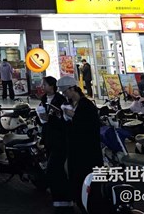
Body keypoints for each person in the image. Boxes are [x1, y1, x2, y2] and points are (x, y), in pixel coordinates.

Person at [58, 76, 103, 210]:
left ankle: (91, 205)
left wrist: (73, 116)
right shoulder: (72, 104)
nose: (64, 94)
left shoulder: (86, 105)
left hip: (87, 151)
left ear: (73, 89)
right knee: (77, 179)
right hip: (76, 149)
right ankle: (81, 203)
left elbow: (90, 125)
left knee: (87, 181)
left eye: (65, 91)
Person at [38, 76, 71, 210]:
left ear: (52, 86)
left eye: (44, 84)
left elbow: (65, 120)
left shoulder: (61, 100)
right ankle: (58, 198)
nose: (42, 87)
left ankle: (63, 200)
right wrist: (41, 117)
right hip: (48, 137)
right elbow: (42, 118)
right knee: (53, 168)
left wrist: (54, 117)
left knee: (56, 168)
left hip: (59, 139)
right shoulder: (43, 99)